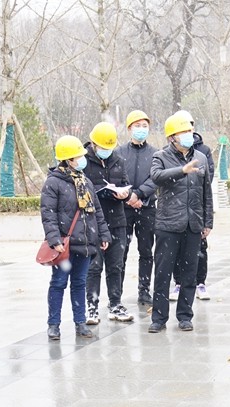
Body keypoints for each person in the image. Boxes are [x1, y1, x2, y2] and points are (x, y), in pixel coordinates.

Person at [40, 135, 111, 340]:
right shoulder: (53, 183)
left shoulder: (85, 182)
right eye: (78, 156)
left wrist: (103, 234)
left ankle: (80, 323)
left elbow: (97, 212)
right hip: (65, 245)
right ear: (68, 159)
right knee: (58, 283)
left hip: (86, 244)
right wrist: (54, 240)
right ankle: (53, 324)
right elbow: (48, 214)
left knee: (79, 283)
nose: (82, 159)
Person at [149, 113, 213, 333]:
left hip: (193, 224)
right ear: (172, 137)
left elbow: (206, 192)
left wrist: (207, 221)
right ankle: (159, 318)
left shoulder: (201, 158)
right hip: (168, 224)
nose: (188, 135)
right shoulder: (160, 156)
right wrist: (181, 171)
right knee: (163, 272)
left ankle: (185, 315)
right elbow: (156, 176)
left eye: (189, 131)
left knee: (189, 273)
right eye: (183, 132)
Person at [83, 122, 133, 324]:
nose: (106, 150)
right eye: (103, 147)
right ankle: (91, 307)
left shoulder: (118, 160)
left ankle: (115, 303)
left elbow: (126, 183)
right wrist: (102, 191)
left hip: (117, 219)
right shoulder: (83, 161)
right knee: (94, 267)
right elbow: (82, 188)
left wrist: (124, 193)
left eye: (109, 147)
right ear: (94, 144)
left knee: (116, 266)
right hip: (93, 220)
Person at [169, 110, 215, 301]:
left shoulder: (203, 152)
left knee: (200, 250)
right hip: (176, 212)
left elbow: (207, 184)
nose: (188, 132)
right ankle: (178, 282)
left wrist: (207, 220)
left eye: (190, 127)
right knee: (176, 251)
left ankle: (200, 282)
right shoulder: (166, 154)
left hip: (196, 210)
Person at [118, 110, 158, 305]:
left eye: (144, 126)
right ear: (129, 128)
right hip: (123, 209)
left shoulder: (156, 154)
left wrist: (140, 194)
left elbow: (155, 179)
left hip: (147, 207)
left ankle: (144, 290)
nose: (141, 129)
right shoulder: (119, 153)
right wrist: (129, 196)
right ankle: (116, 293)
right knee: (120, 252)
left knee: (146, 251)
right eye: (137, 126)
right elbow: (116, 178)